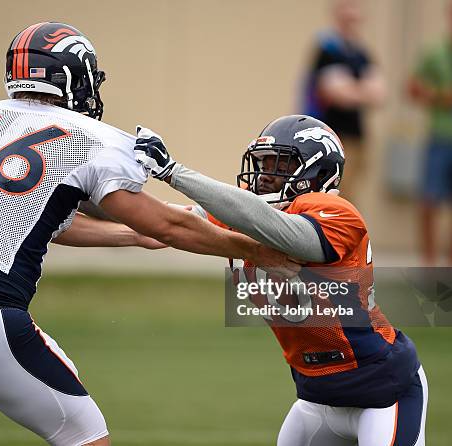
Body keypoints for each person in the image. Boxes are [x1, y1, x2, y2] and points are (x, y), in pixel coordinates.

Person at [0, 22, 295, 446]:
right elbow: (168, 224)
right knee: (86, 437)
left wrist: (129, 236)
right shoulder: (88, 137)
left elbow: (35, 216)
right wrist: (257, 250)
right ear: (71, 76)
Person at [134, 115, 428, 445]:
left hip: (384, 392)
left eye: (281, 164)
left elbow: (286, 234)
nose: (265, 176)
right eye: (263, 163)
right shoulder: (249, 214)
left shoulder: (337, 212)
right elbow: (165, 221)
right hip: (316, 398)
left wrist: (174, 172)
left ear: (318, 172)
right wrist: (92, 186)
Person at [409, 0, 452, 266]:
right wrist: (439, 96)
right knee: (430, 200)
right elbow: (412, 88)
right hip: (441, 139)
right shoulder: (435, 53)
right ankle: (430, 262)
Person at [302, 0, 385, 205]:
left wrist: (351, 89)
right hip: (329, 135)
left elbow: (380, 94)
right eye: (347, 7)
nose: (352, 14)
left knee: (350, 194)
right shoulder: (327, 49)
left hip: (356, 135)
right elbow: (334, 93)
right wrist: (361, 90)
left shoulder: (360, 53)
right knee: (329, 192)